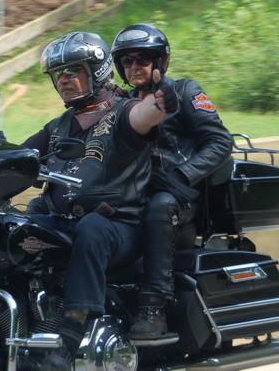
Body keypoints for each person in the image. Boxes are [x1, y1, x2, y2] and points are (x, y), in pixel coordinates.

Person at [22, 31, 177, 371]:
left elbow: (146, 116)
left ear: (97, 71)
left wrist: (159, 97)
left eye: (72, 71)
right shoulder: (58, 127)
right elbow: (16, 156)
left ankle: (69, 337)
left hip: (119, 230)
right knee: (14, 229)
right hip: (64, 223)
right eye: (57, 74)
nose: (63, 79)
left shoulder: (124, 113)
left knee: (92, 227)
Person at [110, 23, 233, 340]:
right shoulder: (122, 103)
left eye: (142, 59)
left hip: (179, 200)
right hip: (132, 193)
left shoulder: (185, 92)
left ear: (160, 61)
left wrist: (182, 175)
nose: (134, 66)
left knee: (160, 206)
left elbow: (220, 141)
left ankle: (155, 308)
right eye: (127, 61)